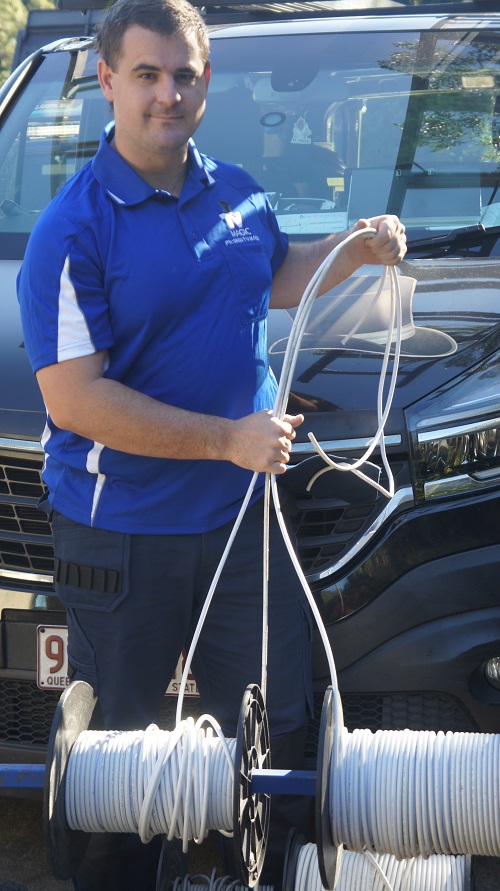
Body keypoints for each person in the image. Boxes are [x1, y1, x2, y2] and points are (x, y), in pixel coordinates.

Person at [17, 0, 406, 888]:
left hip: (242, 523)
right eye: (146, 75)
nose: (168, 94)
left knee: (280, 736)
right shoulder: (71, 231)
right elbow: (76, 401)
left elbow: (272, 274)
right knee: (118, 764)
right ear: (107, 81)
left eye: (184, 75)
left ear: (205, 81)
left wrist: (352, 249)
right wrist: (229, 438)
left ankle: (257, 876)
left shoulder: (237, 191)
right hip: (124, 535)